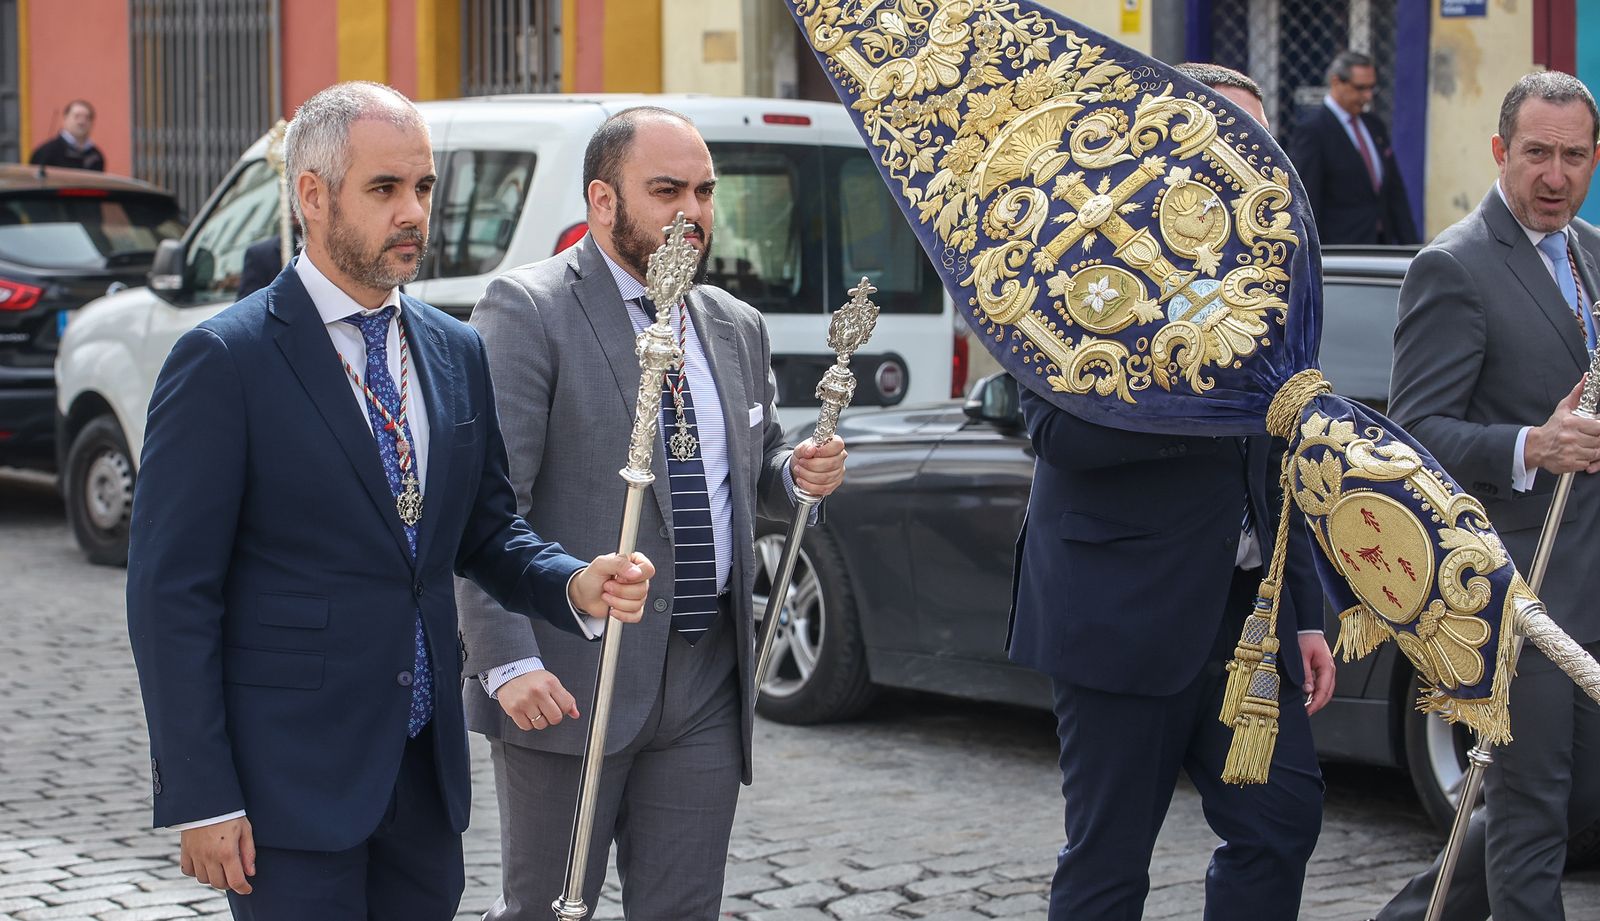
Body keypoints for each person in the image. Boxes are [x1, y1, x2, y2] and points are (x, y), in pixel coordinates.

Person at [125, 81, 656, 921]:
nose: (414, 211)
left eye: (424, 187)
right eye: (385, 189)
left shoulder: (454, 350)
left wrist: (571, 581)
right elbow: (170, 595)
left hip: (421, 778)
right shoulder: (224, 362)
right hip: (287, 787)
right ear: (312, 194)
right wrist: (203, 795)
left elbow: (482, 530)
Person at [455, 106, 846, 920]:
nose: (692, 211)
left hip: (707, 676)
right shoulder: (527, 312)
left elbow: (753, 473)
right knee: (547, 907)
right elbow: (488, 507)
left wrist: (796, 472)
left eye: (704, 191)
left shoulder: (736, 327)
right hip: (569, 677)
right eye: (666, 189)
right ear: (604, 201)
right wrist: (507, 661)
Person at [1008, 65, 1336, 921]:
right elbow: (1058, 434)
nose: (1252, 160)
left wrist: (1304, 608)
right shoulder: (1082, 252)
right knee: (1110, 863)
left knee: (1280, 822)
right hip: (1120, 608)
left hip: (1245, 617)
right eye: (1230, 137)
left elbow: (1278, 457)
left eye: (1262, 144)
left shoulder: (1274, 273)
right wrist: (1195, 387)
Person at [1372, 70, 1600, 921]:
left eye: (1573, 156)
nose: (1554, 175)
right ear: (1501, 151)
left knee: (1571, 802)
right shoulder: (1454, 265)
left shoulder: (1593, 251)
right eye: (1536, 153)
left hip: (1593, 579)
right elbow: (1414, 429)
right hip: (1515, 589)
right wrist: (1531, 445)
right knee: (1535, 809)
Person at [1287, 50, 1418, 245]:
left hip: (1380, 245)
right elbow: (1307, 198)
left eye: (1371, 88)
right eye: (1360, 88)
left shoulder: (1374, 126)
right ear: (1336, 82)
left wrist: (1411, 247)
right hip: (1341, 249)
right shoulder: (1313, 131)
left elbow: (1393, 191)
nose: (1367, 96)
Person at [28, 99, 105, 171]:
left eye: (87, 118)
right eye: (77, 116)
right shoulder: (46, 152)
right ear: (65, 119)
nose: (81, 122)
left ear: (92, 123)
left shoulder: (96, 156)